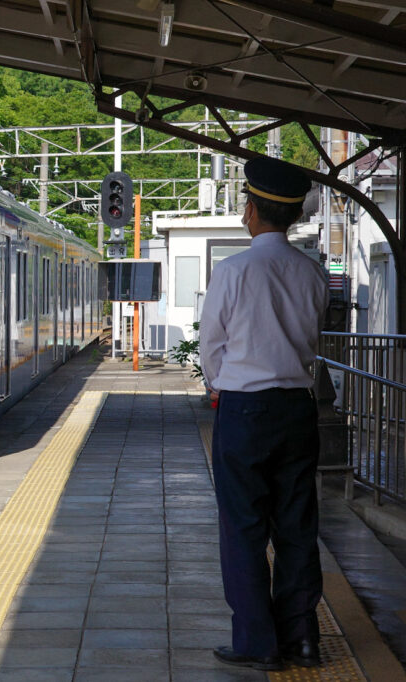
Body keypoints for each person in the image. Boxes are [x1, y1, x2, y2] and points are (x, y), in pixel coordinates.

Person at [199, 156, 328, 671]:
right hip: (298, 409)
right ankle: (302, 639)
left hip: (245, 409)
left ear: (251, 211)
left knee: (244, 526)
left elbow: (212, 346)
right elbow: (313, 338)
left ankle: (257, 642)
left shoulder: (232, 271)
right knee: (297, 523)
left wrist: (220, 387)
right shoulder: (312, 272)